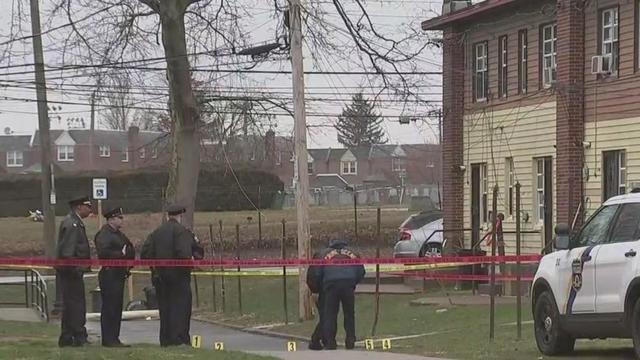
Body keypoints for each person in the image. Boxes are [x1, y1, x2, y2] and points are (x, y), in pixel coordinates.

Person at [141, 205, 204, 347]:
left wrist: (155, 267)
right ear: (180, 215)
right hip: (179, 276)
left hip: (160, 277)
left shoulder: (157, 232)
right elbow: (183, 254)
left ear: (168, 216)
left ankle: (166, 339)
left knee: (165, 308)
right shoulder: (181, 232)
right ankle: (179, 338)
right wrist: (191, 262)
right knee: (181, 308)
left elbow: (145, 254)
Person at [94, 206, 135, 347]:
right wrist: (121, 254)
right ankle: (108, 338)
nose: (122, 220)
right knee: (110, 307)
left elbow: (129, 247)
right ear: (111, 219)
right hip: (110, 274)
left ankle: (114, 337)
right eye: (119, 217)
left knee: (116, 307)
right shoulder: (104, 234)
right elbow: (103, 253)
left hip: (119, 274)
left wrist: (128, 258)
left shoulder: (118, 234)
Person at [56, 196, 93, 347]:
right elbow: (68, 251)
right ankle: (78, 336)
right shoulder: (72, 224)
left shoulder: (75, 222)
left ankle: (68, 336)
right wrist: (76, 269)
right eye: (88, 206)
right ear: (79, 207)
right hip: (71, 272)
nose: (90, 209)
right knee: (76, 306)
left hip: (71, 271)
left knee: (72, 305)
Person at [316, 238, 365, 350]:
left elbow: (317, 272)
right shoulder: (352, 253)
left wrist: (321, 287)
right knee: (349, 314)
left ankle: (330, 342)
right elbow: (361, 271)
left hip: (331, 285)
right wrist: (353, 283)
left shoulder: (324, 254)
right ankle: (350, 341)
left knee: (330, 314)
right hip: (348, 284)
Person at [306, 250, 324, 350]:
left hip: (315, 292)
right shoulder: (318, 267)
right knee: (326, 317)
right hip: (319, 293)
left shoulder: (312, 267)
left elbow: (308, 280)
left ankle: (323, 339)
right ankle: (315, 340)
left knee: (325, 317)